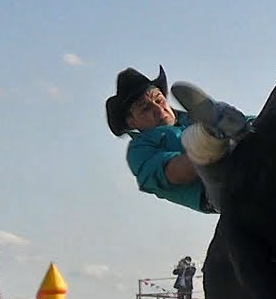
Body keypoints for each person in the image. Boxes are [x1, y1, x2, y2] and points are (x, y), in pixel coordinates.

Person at [105, 67, 253, 214]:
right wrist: (212, 147)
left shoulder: (194, 117)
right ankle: (211, 140)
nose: (158, 109)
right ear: (131, 122)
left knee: (248, 122)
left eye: (159, 100)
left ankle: (229, 131)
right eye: (145, 108)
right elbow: (171, 173)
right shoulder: (139, 148)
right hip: (218, 191)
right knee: (209, 148)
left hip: (246, 155)